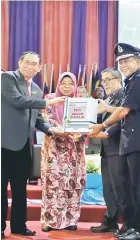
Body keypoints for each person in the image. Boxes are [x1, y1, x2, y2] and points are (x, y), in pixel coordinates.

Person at [89, 43, 140, 240]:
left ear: (138, 61)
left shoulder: (139, 81)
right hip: (135, 142)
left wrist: (102, 126)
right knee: (135, 188)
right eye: (121, 61)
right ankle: (135, 226)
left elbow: (123, 111)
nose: (124, 64)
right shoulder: (133, 80)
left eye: (128, 60)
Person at [1, 51, 65, 238]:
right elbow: (18, 101)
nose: (30, 66)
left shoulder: (36, 88)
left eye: (34, 64)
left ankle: (19, 226)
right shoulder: (7, 78)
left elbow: (36, 118)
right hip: (3, 144)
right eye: (27, 62)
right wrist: (49, 101)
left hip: (23, 147)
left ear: (39, 68)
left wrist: (51, 130)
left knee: (21, 190)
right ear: (20, 63)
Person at [40, 72, 86, 232]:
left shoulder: (80, 102)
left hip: (74, 149)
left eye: (71, 83)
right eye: (63, 83)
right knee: (53, 184)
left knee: (72, 184)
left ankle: (70, 220)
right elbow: (45, 119)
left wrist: (81, 131)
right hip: (55, 149)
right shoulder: (50, 99)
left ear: (75, 86)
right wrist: (59, 129)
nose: (67, 86)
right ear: (58, 84)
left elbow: (87, 123)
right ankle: (50, 220)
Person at [90, 68, 124, 233]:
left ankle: (127, 223)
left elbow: (121, 119)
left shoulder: (124, 95)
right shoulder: (107, 99)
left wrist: (106, 133)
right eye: (103, 80)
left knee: (120, 187)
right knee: (108, 187)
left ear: (118, 80)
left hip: (119, 148)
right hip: (107, 148)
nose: (105, 83)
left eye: (109, 79)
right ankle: (110, 219)